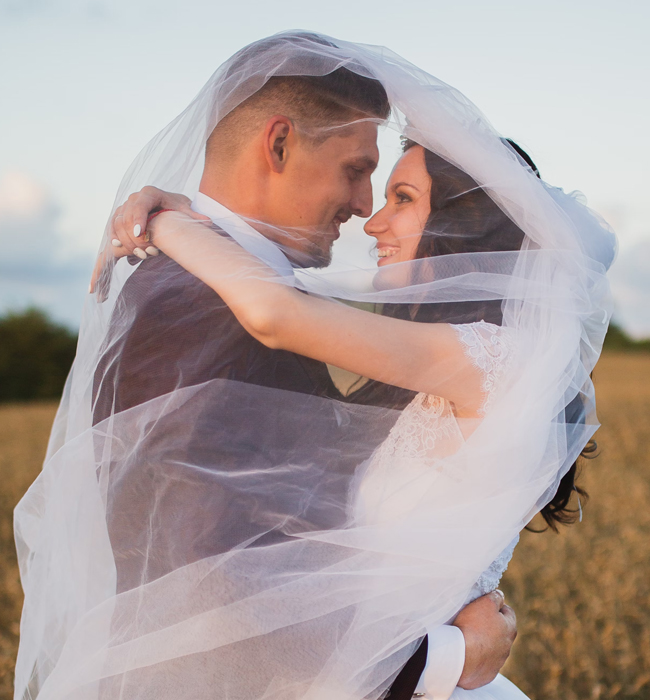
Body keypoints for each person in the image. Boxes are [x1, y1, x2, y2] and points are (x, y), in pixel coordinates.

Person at [13, 31, 615, 700]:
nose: (368, 213)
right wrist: (447, 652)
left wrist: (161, 220)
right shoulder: (198, 304)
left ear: (465, 227)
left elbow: (275, 317)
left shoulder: (479, 359)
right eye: (361, 172)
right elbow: (202, 571)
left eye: (400, 197)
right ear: (278, 145)